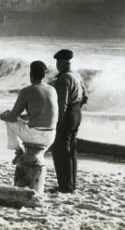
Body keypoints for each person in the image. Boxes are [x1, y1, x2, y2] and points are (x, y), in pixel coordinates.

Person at [0, 60, 58, 160]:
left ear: (30, 74)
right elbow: (39, 114)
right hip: (51, 136)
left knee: (8, 117)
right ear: (44, 76)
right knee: (16, 119)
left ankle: (18, 150)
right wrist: (21, 118)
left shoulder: (27, 91)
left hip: (35, 136)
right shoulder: (52, 90)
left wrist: (2, 116)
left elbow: (12, 117)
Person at [50, 49, 88, 194]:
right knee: (72, 150)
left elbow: (62, 103)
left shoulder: (64, 78)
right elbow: (85, 96)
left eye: (58, 63)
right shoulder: (76, 76)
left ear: (60, 63)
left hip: (67, 115)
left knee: (61, 150)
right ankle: (72, 184)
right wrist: (77, 110)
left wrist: (58, 120)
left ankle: (64, 186)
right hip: (77, 112)